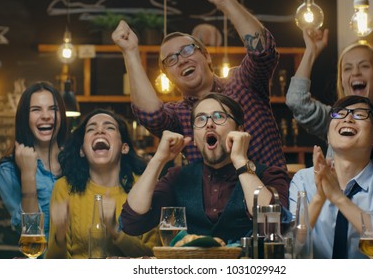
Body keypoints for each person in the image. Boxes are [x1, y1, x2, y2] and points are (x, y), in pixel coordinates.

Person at [112, 0, 286, 169]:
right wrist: (130, 52)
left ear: (207, 56)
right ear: (168, 77)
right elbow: (151, 116)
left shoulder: (242, 82)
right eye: (171, 59)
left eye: (187, 50)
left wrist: (226, 2)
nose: (181, 60)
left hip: (271, 193)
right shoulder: (178, 115)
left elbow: (263, 52)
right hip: (215, 198)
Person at [120, 93, 291, 244]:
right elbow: (132, 223)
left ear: (239, 130)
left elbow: (276, 228)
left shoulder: (268, 175)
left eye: (218, 116)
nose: (209, 124)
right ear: (195, 138)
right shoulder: (178, 178)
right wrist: (158, 160)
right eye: (201, 119)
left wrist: (240, 159)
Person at [286, 15, 373, 175]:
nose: (355, 72)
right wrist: (311, 52)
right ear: (342, 80)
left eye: (364, 66)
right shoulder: (335, 118)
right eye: (347, 68)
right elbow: (296, 100)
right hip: (335, 200)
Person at [289, 95, 373, 259]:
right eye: (339, 114)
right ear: (328, 136)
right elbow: (291, 249)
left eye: (360, 114)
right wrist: (319, 197)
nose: (347, 118)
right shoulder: (303, 180)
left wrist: (339, 198)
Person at [45, 109, 157, 258]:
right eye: (91, 129)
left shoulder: (144, 188)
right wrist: (59, 235)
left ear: (124, 148)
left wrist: (114, 229)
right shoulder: (64, 188)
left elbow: (153, 260)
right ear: (82, 151)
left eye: (109, 127)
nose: (99, 131)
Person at [0, 82, 68, 238]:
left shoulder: (76, 159)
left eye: (53, 109)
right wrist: (28, 175)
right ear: (24, 118)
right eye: (36, 110)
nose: (46, 116)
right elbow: (31, 234)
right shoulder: (8, 169)